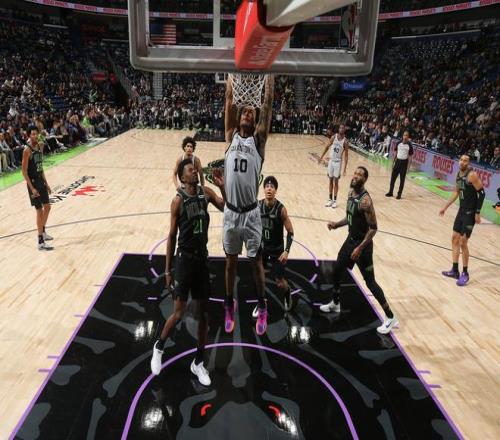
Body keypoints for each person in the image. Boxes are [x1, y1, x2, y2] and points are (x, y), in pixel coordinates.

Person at [150, 158, 225, 385]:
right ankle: (159, 347)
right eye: (191, 170)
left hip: (202, 260)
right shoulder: (178, 201)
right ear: (182, 177)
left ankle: (198, 363)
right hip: (184, 260)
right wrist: (167, 270)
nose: (195, 171)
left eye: (195, 169)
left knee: (203, 315)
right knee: (179, 313)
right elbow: (172, 236)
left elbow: (226, 207)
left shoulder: (206, 193)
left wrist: (222, 186)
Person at [222, 74, 274, 336]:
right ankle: (229, 305)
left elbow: (267, 103)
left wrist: (270, 75)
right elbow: (229, 100)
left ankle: (262, 306)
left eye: (251, 114)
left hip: (251, 214)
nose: (248, 114)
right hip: (231, 213)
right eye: (245, 112)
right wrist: (231, 76)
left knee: (256, 263)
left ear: (255, 121)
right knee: (230, 262)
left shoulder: (258, 141)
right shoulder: (230, 136)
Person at [320, 166, 398, 334]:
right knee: (337, 269)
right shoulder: (350, 193)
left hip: (363, 246)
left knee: (370, 282)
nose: (355, 176)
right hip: (350, 241)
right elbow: (350, 217)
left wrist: (360, 248)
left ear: (365, 179)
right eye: (355, 173)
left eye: (360, 175)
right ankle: (335, 303)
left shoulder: (366, 201)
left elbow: (374, 228)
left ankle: (390, 317)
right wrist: (336, 224)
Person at [251, 176, 294, 318]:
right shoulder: (258, 206)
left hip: (277, 250)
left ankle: (287, 292)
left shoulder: (281, 209)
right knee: (259, 277)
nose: (269, 189)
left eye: (272, 187)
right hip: (263, 247)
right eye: (267, 186)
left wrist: (286, 251)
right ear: (263, 190)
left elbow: (290, 232)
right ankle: (261, 303)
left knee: (279, 282)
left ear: (276, 191)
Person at [439, 155, 485, 286]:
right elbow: (456, 192)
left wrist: (477, 213)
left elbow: (482, 193)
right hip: (461, 211)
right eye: (461, 160)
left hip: (470, 212)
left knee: (463, 242)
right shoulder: (458, 174)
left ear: (468, 163)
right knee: (454, 238)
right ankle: (455, 270)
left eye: (465, 160)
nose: (462, 162)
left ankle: (465, 273)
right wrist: (445, 207)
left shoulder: (472, 175)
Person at [21, 128, 53, 250]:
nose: (35, 135)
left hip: (41, 182)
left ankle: (43, 232)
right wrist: (32, 188)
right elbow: (24, 172)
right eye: (33, 134)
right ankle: (40, 242)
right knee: (39, 211)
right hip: (33, 184)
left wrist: (46, 183)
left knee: (48, 207)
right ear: (29, 136)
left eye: (36, 133)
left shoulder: (39, 147)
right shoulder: (27, 150)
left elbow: (40, 167)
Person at [318, 123, 349, 208]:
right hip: (331, 161)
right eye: (340, 128)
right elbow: (327, 147)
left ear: (345, 130)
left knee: (336, 181)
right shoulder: (333, 137)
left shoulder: (345, 141)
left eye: (343, 128)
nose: (341, 129)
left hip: (338, 162)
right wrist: (321, 157)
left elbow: (346, 156)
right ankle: (330, 199)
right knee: (330, 180)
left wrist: (345, 168)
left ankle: (335, 200)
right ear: (338, 129)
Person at [386, 131, 413, 199]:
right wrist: (393, 162)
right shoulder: (398, 143)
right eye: (404, 135)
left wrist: (408, 168)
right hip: (397, 162)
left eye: (406, 135)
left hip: (404, 163)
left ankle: (399, 194)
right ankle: (390, 192)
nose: (405, 137)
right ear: (402, 136)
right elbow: (395, 152)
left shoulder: (409, 145)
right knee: (393, 178)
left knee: (402, 180)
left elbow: (410, 157)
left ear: (408, 137)